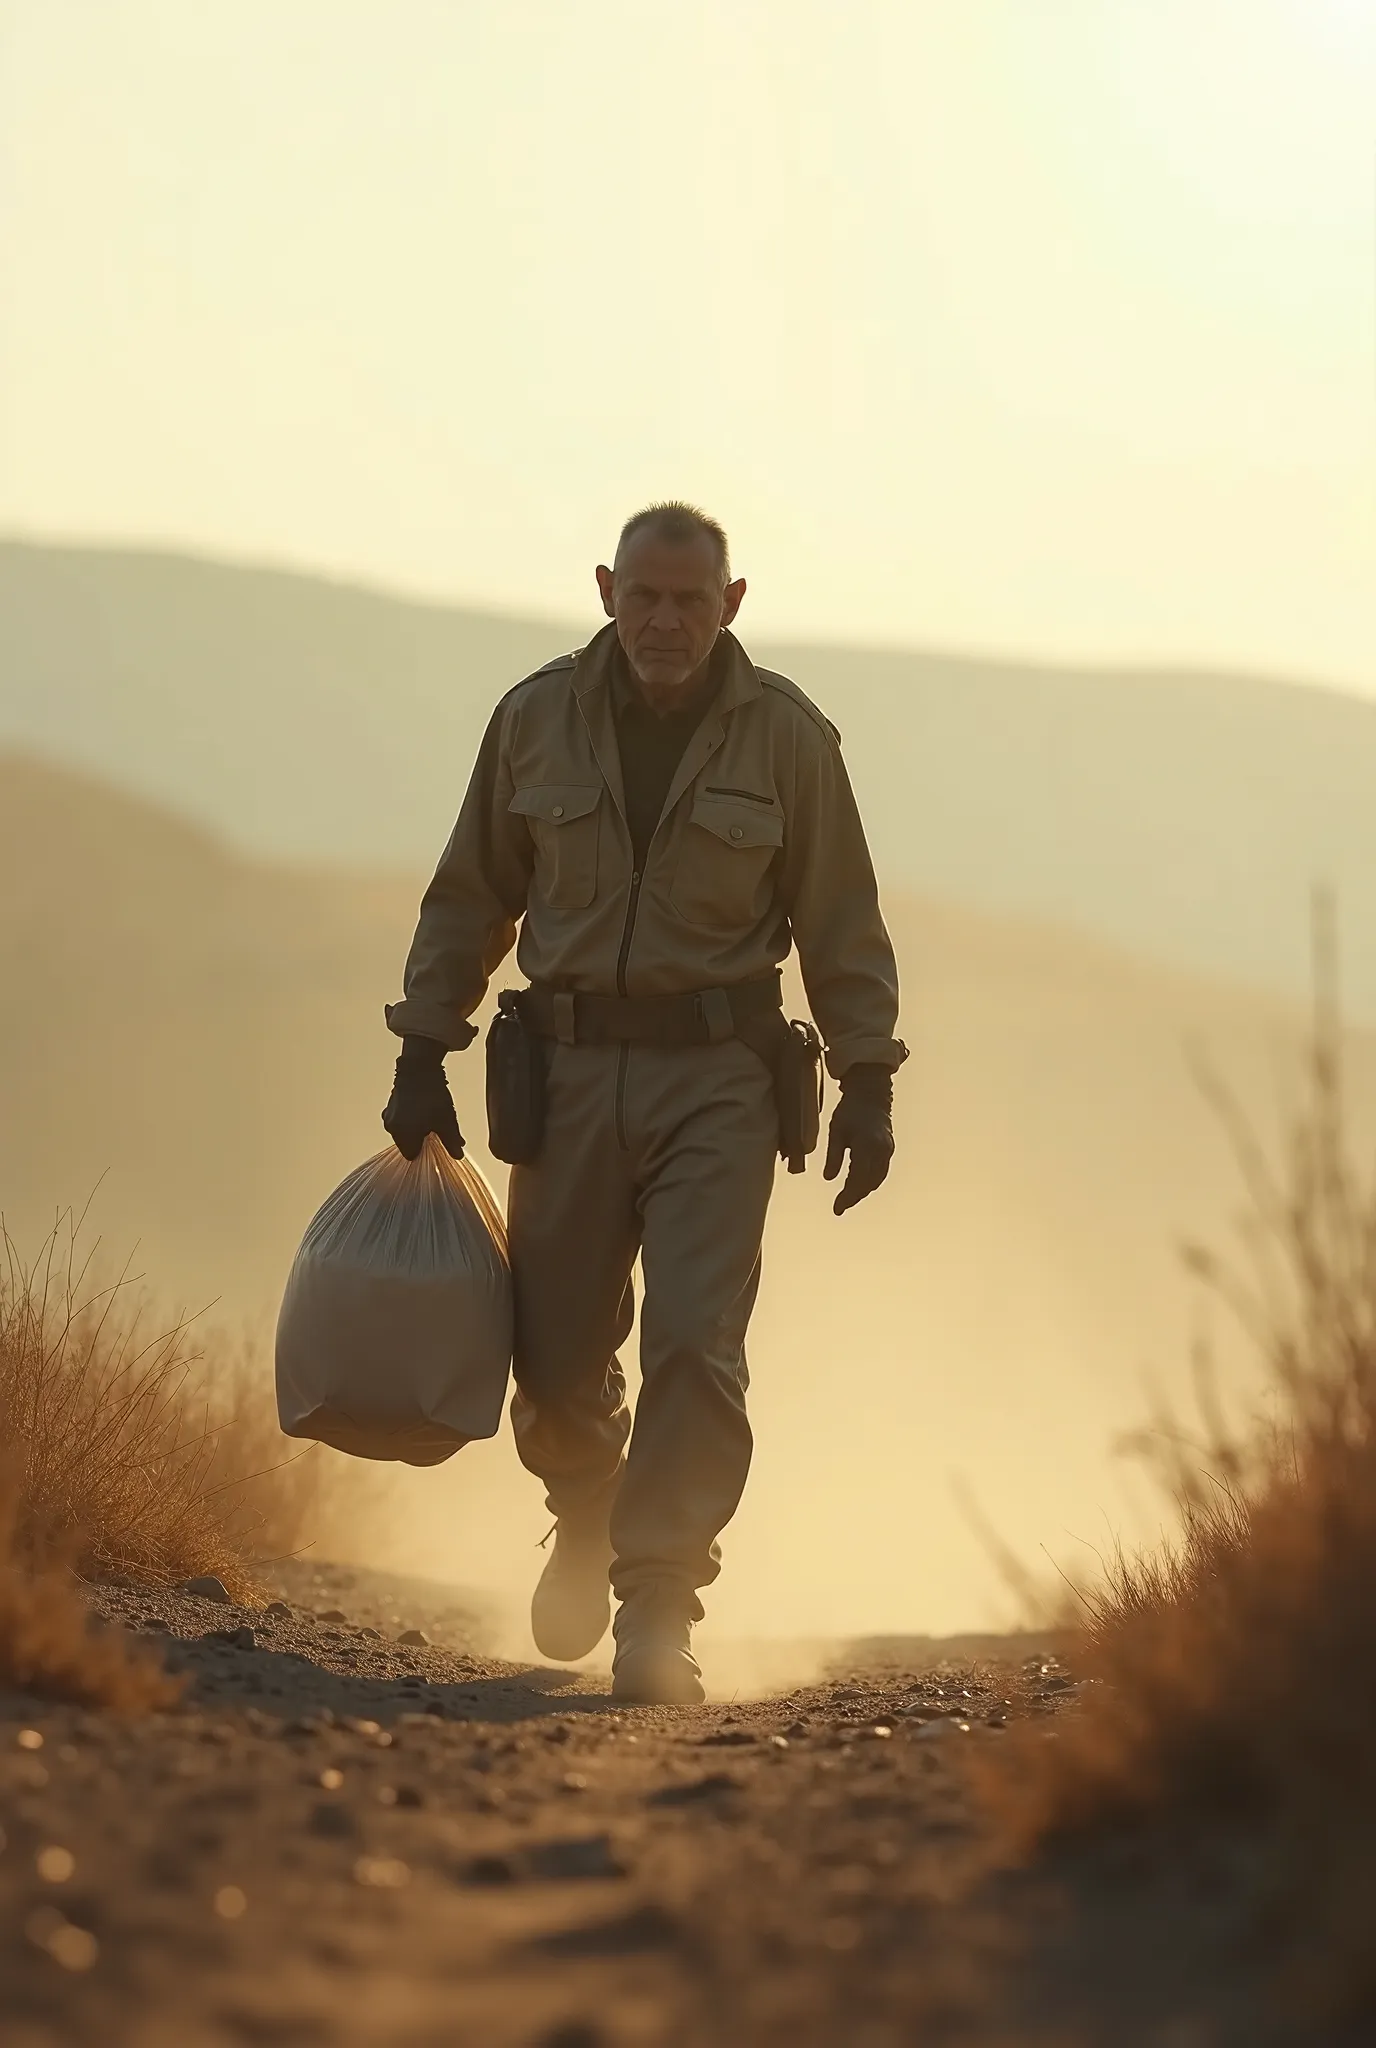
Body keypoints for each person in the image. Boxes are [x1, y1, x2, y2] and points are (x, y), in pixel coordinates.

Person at [382, 503, 906, 1704]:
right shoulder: (533, 720)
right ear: (608, 590)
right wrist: (421, 1047)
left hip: (718, 1076)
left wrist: (866, 1076)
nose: (664, 621)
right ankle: (584, 1502)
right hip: (562, 1074)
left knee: (693, 1338)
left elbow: (838, 917)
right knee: (556, 1353)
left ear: (729, 603)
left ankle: (658, 1601)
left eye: (689, 600)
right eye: (644, 598)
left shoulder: (786, 740)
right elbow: (469, 895)